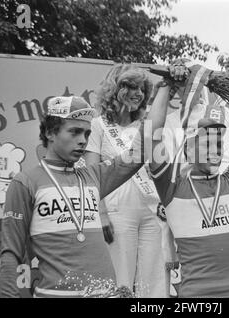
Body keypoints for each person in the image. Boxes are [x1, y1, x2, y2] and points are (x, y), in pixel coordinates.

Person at [0, 95, 146, 298]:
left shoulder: (93, 175)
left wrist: (166, 89)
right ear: (50, 132)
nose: (83, 141)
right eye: (74, 132)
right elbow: (11, 253)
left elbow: (139, 153)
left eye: (86, 134)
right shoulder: (25, 183)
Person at [147, 60, 229, 298]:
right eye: (207, 143)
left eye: (219, 144)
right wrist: (168, 85)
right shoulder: (172, 188)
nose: (216, 150)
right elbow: (152, 137)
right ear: (187, 150)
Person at [84, 64, 169, 298]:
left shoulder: (145, 125)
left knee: (154, 282)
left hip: (151, 208)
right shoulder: (98, 125)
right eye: (131, 86)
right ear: (115, 89)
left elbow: (160, 165)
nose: (138, 93)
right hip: (116, 208)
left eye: (142, 88)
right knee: (119, 279)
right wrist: (99, 213)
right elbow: (92, 175)